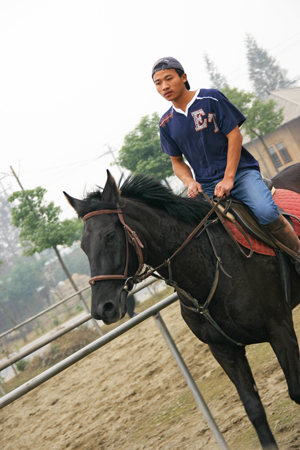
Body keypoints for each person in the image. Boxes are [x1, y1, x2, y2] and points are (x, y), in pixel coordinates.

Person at [152, 56, 300, 275]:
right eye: (158, 83)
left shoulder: (211, 98)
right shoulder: (166, 123)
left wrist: (229, 178)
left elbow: (235, 136)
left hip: (239, 174)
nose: (164, 86)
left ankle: (297, 256)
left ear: (183, 77)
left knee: (266, 211)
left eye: (168, 78)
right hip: (207, 187)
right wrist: (190, 181)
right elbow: (177, 162)